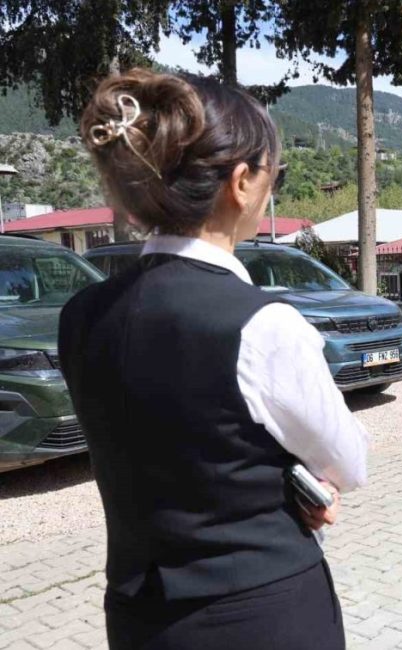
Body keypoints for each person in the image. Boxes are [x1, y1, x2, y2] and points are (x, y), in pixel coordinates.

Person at [58, 69, 366, 649]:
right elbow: (349, 466)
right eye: (277, 173)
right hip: (262, 614)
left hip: (137, 615)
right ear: (243, 182)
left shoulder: (80, 316)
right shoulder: (263, 324)